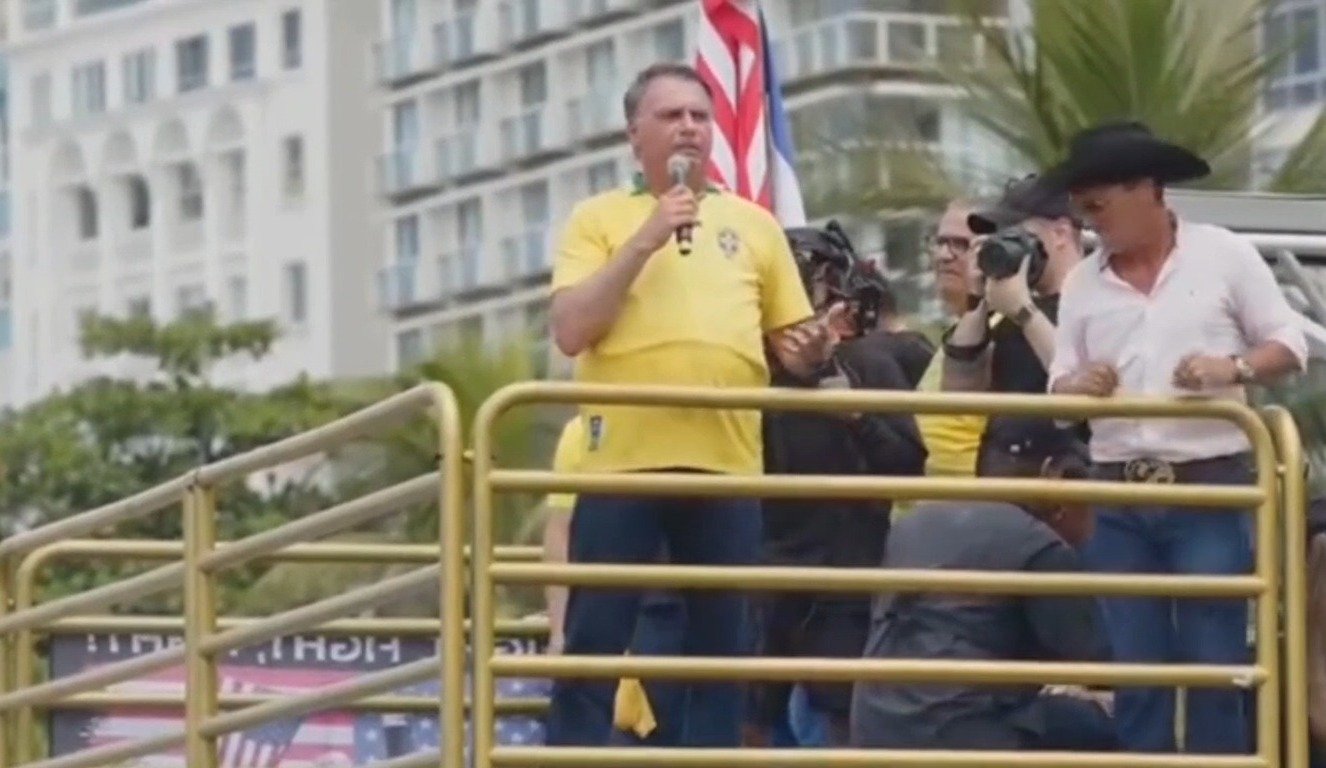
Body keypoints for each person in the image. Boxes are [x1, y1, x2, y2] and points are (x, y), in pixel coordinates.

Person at [545, 62, 832, 748]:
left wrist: (811, 351)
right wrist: (648, 235)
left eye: (700, 116)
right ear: (634, 134)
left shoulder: (754, 225)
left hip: (726, 463)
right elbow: (571, 329)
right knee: (595, 639)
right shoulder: (597, 219)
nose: (689, 128)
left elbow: (790, 347)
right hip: (622, 464)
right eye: (671, 115)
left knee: (721, 647)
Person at [1047, 121, 1308, 754]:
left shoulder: (1224, 254)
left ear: (1147, 191)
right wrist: (1077, 386)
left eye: (1098, 208)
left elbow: (1292, 343)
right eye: (1082, 211)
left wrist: (1234, 369)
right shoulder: (1082, 283)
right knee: (1138, 669)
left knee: (1213, 661)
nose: (1089, 225)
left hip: (1209, 489)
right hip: (1120, 495)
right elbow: (1057, 389)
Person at [750, 226, 928, 747]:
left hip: (846, 574)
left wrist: (850, 405)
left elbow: (907, 467)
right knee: (745, 721)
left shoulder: (869, 362)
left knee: (847, 724)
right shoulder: (741, 371)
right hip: (757, 573)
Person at [850, 421, 1116, 751]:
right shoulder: (1037, 545)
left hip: (876, 725)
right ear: (1055, 476)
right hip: (969, 730)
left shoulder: (915, 521)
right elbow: (1094, 660)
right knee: (1098, 721)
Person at [940, 173, 1086, 470]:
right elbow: (957, 394)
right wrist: (977, 302)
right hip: (1003, 484)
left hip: (1066, 486)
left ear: (1059, 234)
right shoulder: (1009, 305)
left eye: (1016, 236)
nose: (1007, 246)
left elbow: (1081, 388)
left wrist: (1025, 313)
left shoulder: (1096, 300)